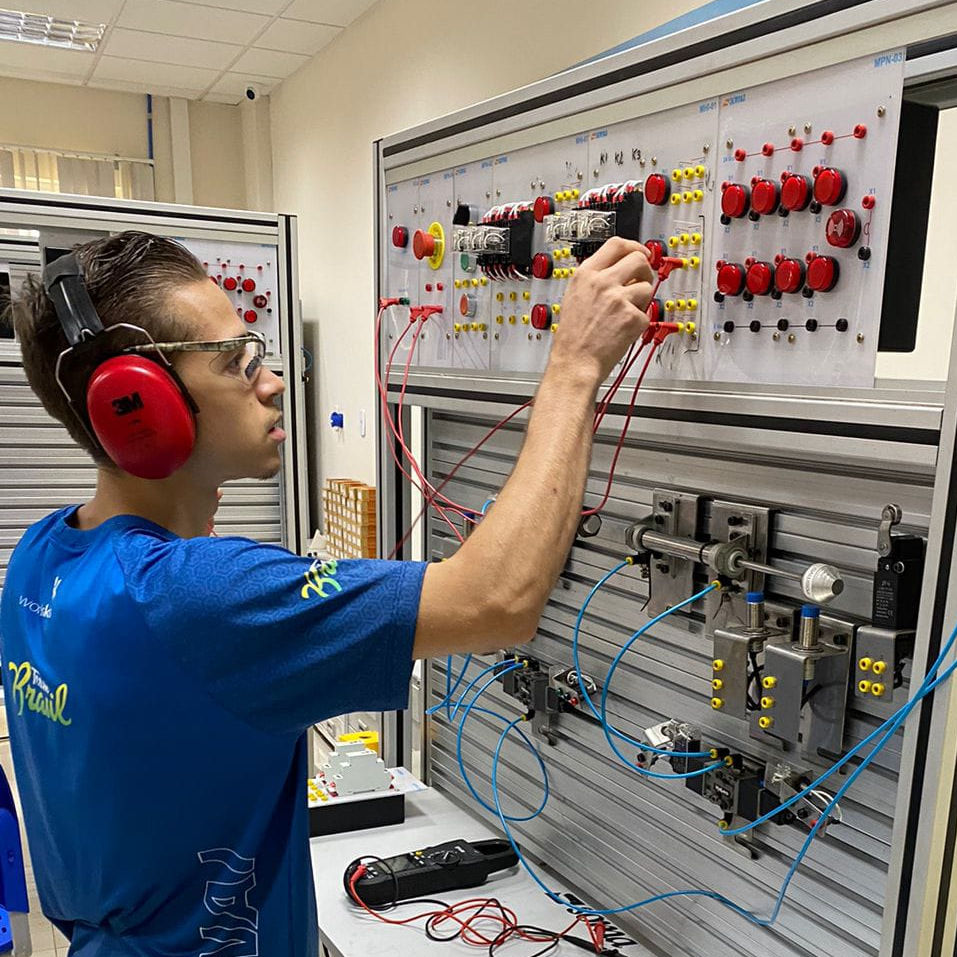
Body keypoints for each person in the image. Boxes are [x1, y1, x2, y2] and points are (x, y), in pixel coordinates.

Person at [0, 230, 652, 955]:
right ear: (138, 406)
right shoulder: (193, 595)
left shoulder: (43, 554)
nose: (272, 380)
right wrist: (574, 363)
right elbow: (498, 598)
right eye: (238, 360)